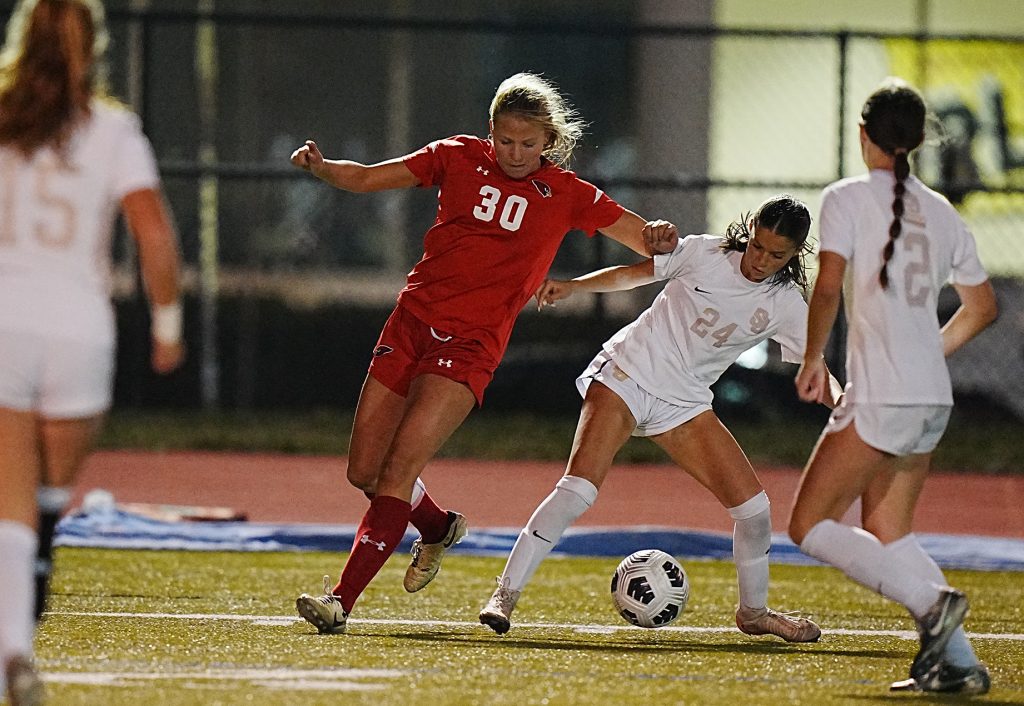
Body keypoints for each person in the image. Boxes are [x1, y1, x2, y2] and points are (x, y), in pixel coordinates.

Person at [290, 72, 677, 634]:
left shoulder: (568, 193)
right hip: (411, 322)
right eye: (505, 141)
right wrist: (324, 170)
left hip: (471, 347)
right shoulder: (456, 157)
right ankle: (439, 526)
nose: (515, 153)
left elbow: (650, 243)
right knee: (364, 472)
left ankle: (340, 602)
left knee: (399, 468)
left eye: (528, 143)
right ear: (490, 132)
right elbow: (373, 178)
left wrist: (661, 234)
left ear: (549, 140)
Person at [479, 194, 839, 643]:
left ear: (794, 254)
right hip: (627, 372)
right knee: (578, 489)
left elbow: (815, 371)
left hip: (683, 402)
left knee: (754, 511)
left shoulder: (787, 303)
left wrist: (847, 411)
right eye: (757, 246)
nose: (761, 259)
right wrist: (575, 286)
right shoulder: (706, 253)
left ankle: (754, 613)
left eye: (776, 254)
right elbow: (633, 275)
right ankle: (504, 597)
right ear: (749, 233)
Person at [0, 0, 185, 703]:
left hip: (4, 320)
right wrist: (167, 326)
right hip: (79, 330)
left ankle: (15, 647)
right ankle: (30, 593)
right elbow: (155, 235)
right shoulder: (112, 128)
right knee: (45, 503)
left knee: (8, 509)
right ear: (94, 48)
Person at [788, 78, 998, 695]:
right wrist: (928, 349)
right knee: (890, 531)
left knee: (809, 526)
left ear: (864, 135)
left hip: (882, 395)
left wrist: (809, 359)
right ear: (916, 141)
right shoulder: (942, 209)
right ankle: (958, 666)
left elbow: (827, 287)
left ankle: (931, 605)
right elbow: (983, 307)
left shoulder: (846, 197)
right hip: (932, 395)